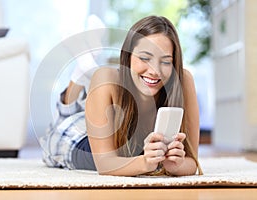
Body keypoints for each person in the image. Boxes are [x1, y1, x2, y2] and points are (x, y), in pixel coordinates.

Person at [41, 15, 203, 177]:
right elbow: (104, 164)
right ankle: (82, 70)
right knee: (61, 123)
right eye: (145, 58)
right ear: (128, 56)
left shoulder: (183, 80)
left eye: (166, 61)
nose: (155, 71)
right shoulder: (105, 77)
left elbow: (192, 162)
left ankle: (84, 68)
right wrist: (145, 162)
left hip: (111, 124)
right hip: (78, 141)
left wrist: (176, 165)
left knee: (91, 105)